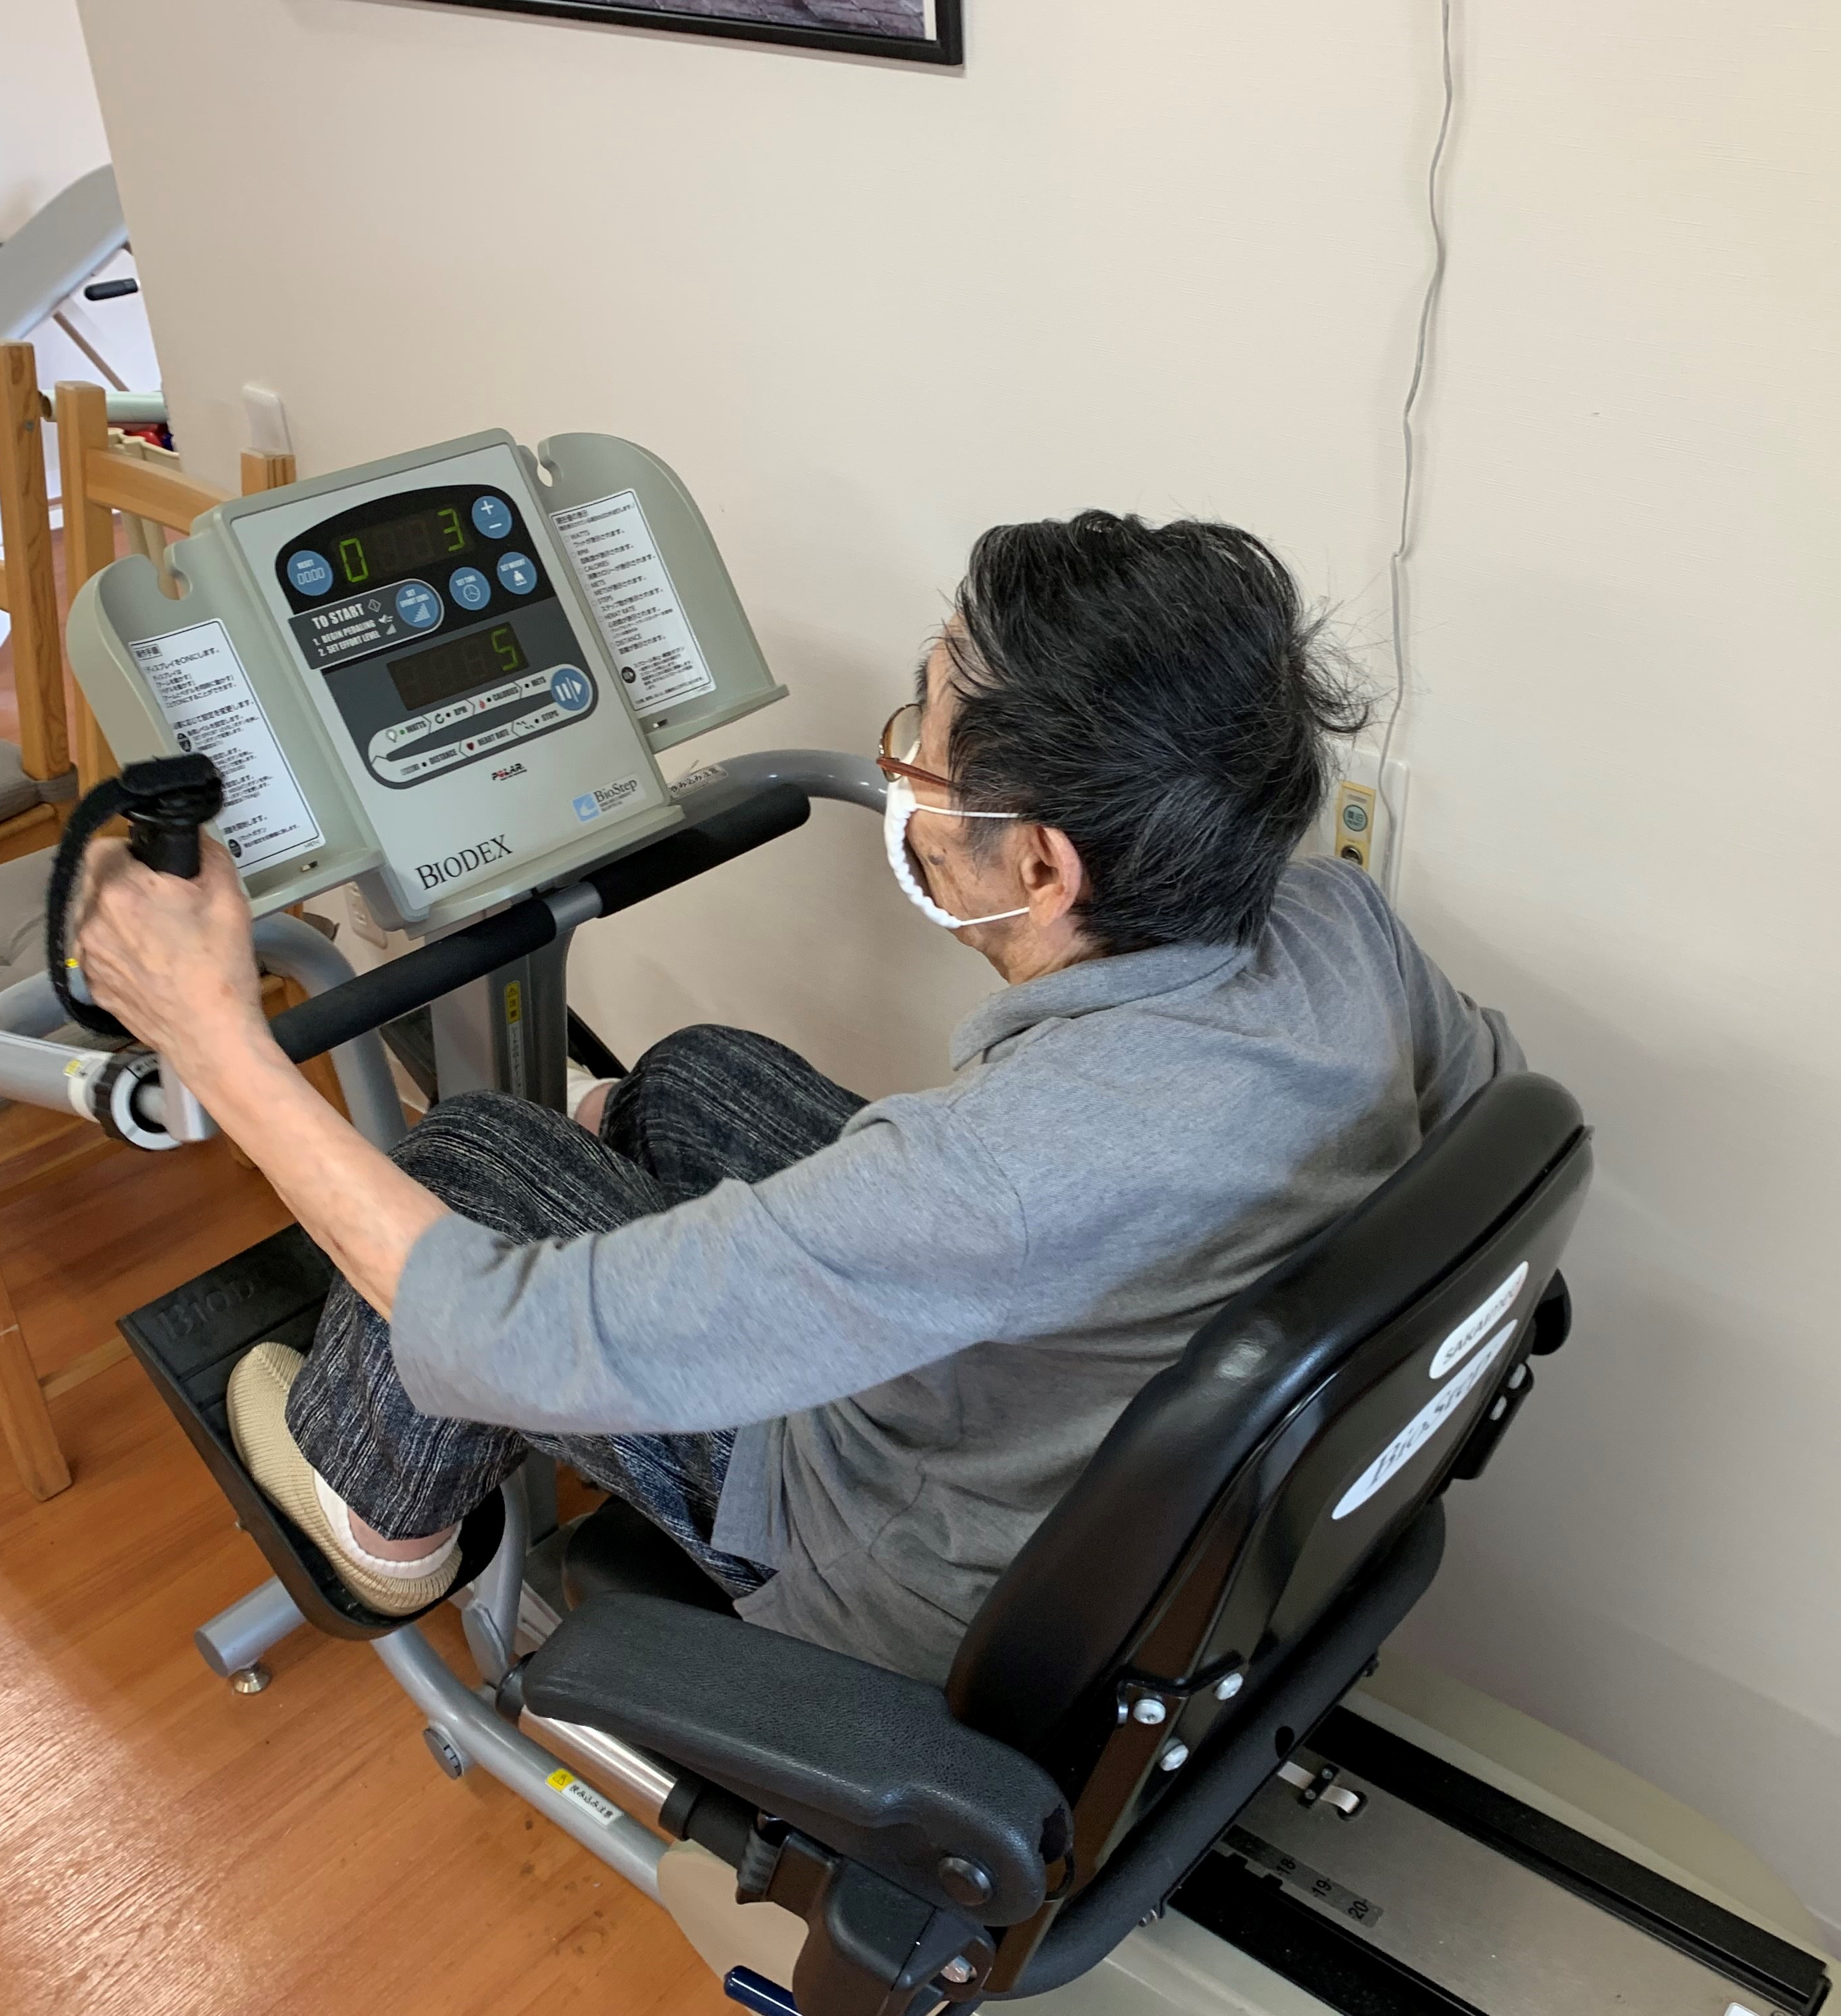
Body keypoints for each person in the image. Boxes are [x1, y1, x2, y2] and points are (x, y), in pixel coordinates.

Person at [74, 511, 1520, 1685]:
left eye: (926, 738)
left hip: (900, 1548)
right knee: (692, 1074)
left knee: (463, 1161)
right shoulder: (1341, 928)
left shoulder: (991, 1176)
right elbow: (1484, 1141)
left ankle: (377, 1521)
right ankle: (614, 1191)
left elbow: (520, 1333)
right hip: (1092, 1418)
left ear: (1041, 867)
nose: (904, 769)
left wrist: (217, 1039)